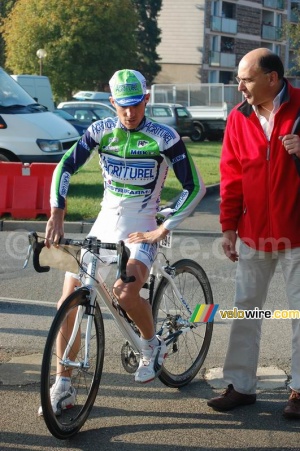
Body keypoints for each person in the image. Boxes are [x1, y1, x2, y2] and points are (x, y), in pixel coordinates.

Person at [39, 69, 206, 415]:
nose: (130, 113)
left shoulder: (164, 136)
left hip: (141, 227)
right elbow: (65, 166)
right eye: (122, 106)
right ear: (112, 102)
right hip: (103, 224)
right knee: (67, 303)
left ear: (146, 99)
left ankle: (151, 346)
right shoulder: (101, 131)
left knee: (125, 292)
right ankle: (63, 383)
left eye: (136, 105)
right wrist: (57, 210)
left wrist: (164, 225)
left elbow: (195, 187)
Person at [207, 48, 300, 418]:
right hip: (253, 232)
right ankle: (241, 386)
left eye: (245, 78)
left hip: (298, 231)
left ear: (272, 79)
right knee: (246, 309)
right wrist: (229, 227)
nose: (239, 85)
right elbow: (231, 177)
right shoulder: (238, 118)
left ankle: (299, 391)